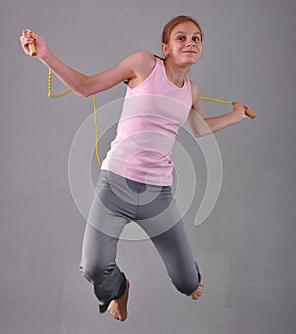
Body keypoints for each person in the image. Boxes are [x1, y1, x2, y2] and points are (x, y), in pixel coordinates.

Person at [20, 15, 246, 322]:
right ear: (165, 46)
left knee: (187, 284)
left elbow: (199, 128)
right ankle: (119, 289)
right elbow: (85, 87)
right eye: (181, 37)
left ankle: (188, 279)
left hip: (158, 197)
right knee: (94, 267)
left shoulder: (190, 91)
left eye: (196, 38)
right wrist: (45, 55)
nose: (190, 43)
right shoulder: (144, 65)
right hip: (114, 187)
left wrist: (236, 115)